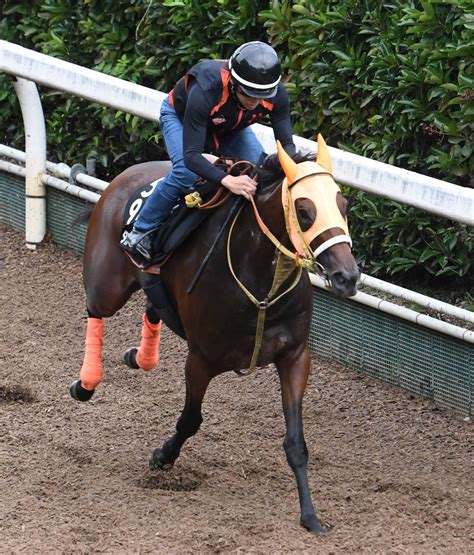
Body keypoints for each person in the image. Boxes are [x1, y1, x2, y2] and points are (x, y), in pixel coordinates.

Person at [120, 41, 296, 260]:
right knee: (185, 171)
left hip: (229, 128)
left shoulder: (275, 95)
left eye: (263, 96)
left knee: (259, 173)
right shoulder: (206, 88)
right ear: (233, 83)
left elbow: (286, 145)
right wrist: (226, 179)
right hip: (181, 118)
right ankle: (140, 231)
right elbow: (192, 156)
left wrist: (289, 168)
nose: (257, 102)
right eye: (250, 95)